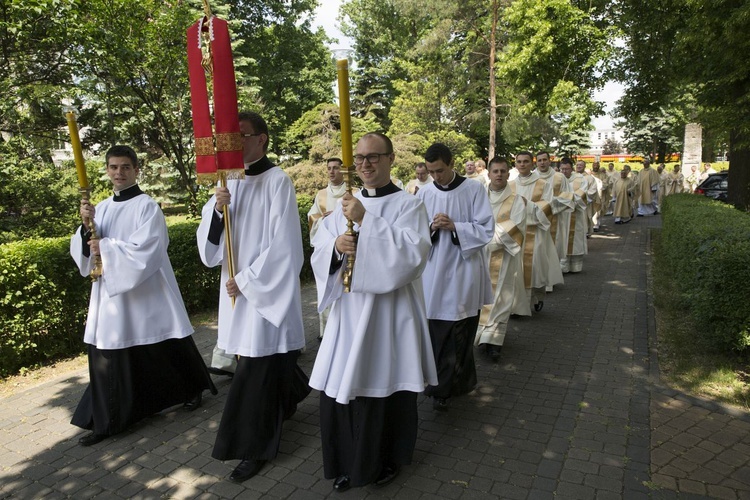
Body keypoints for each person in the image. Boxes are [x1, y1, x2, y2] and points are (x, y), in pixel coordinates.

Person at [309, 132, 437, 492]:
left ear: (391, 159)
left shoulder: (409, 205)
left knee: (384, 387)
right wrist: (336, 246)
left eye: (374, 157)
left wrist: (367, 221)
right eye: (360, 158)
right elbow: (320, 252)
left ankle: (386, 459)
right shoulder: (343, 207)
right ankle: (349, 460)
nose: (365, 164)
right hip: (349, 316)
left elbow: (413, 258)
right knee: (345, 387)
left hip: (389, 315)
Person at [70, 145, 217, 447]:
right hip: (111, 298)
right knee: (109, 353)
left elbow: (149, 247)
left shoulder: (146, 206)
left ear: (137, 170)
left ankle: (191, 389)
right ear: (107, 170)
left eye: (125, 167)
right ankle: (108, 419)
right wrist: (85, 228)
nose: (119, 173)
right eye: (113, 167)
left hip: (147, 291)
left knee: (164, 344)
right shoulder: (102, 207)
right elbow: (86, 250)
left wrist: (106, 248)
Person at [197, 111, 310, 483]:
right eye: (227, 138)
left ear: (261, 138)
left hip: (262, 293)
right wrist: (217, 209)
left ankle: (253, 446)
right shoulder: (225, 185)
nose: (231, 144)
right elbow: (210, 253)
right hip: (236, 294)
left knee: (256, 368)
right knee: (263, 361)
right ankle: (294, 388)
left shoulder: (278, 182)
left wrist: (245, 280)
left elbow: (286, 248)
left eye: (240, 136)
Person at [418, 143, 494, 411]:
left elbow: (486, 228)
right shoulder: (424, 192)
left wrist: (455, 227)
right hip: (434, 272)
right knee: (438, 330)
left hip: (464, 269)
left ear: (451, 164)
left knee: (460, 329)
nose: (435, 176)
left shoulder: (473, 189)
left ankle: (447, 387)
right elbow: (413, 233)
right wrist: (431, 227)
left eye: (439, 170)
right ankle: (452, 382)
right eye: (431, 171)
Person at [474, 157, 527, 361]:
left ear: (508, 174)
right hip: (478, 256)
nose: (498, 174)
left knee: (501, 298)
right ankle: (481, 335)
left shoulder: (517, 201)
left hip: (503, 256)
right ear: (488, 173)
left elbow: (516, 227)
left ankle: (494, 341)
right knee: (481, 297)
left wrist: (483, 236)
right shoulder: (479, 197)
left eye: (502, 171)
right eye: (495, 171)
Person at [509, 152, 566, 313]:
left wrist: (528, 205)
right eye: (519, 162)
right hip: (515, 232)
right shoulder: (510, 185)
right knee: (516, 270)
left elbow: (549, 206)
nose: (522, 164)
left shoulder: (542, 184)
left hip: (536, 231)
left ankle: (537, 297)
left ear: (531, 163)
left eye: (525, 161)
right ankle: (517, 306)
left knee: (535, 268)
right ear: (515, 164)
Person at [307, 157, 348, 340]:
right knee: (325, 287)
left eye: (336, 168)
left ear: (343, 170)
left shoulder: (353, 191)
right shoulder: (321, 195)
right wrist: (324, 218)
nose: (332, 171)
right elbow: (312, 218)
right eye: (329, 168)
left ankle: (345, 330)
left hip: (347, 250)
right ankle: (326, 333)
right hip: (327, 251)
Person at [535, 151, 574, 274]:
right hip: (536, 219)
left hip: (555, 218)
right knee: (538, 249)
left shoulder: (559, 177)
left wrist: (549, 205)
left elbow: (568, 196)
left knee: (553, 248)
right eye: (539, 160)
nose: (542, 162)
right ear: (536, 162)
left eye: (544, 160)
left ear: (549, 161)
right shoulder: (532, 177)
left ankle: (551, 279)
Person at [560, 158, 589, 273]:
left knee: (575, 239)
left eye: (567, 169)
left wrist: (566, 200)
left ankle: (576, 266)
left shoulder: (580, 179)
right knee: (562, 238)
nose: (564, 171)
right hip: (562, 214)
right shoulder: (557, 179)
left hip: (576, 213)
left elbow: (582, 194)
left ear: (572, 169)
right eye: (562, 169)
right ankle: (563, 265)